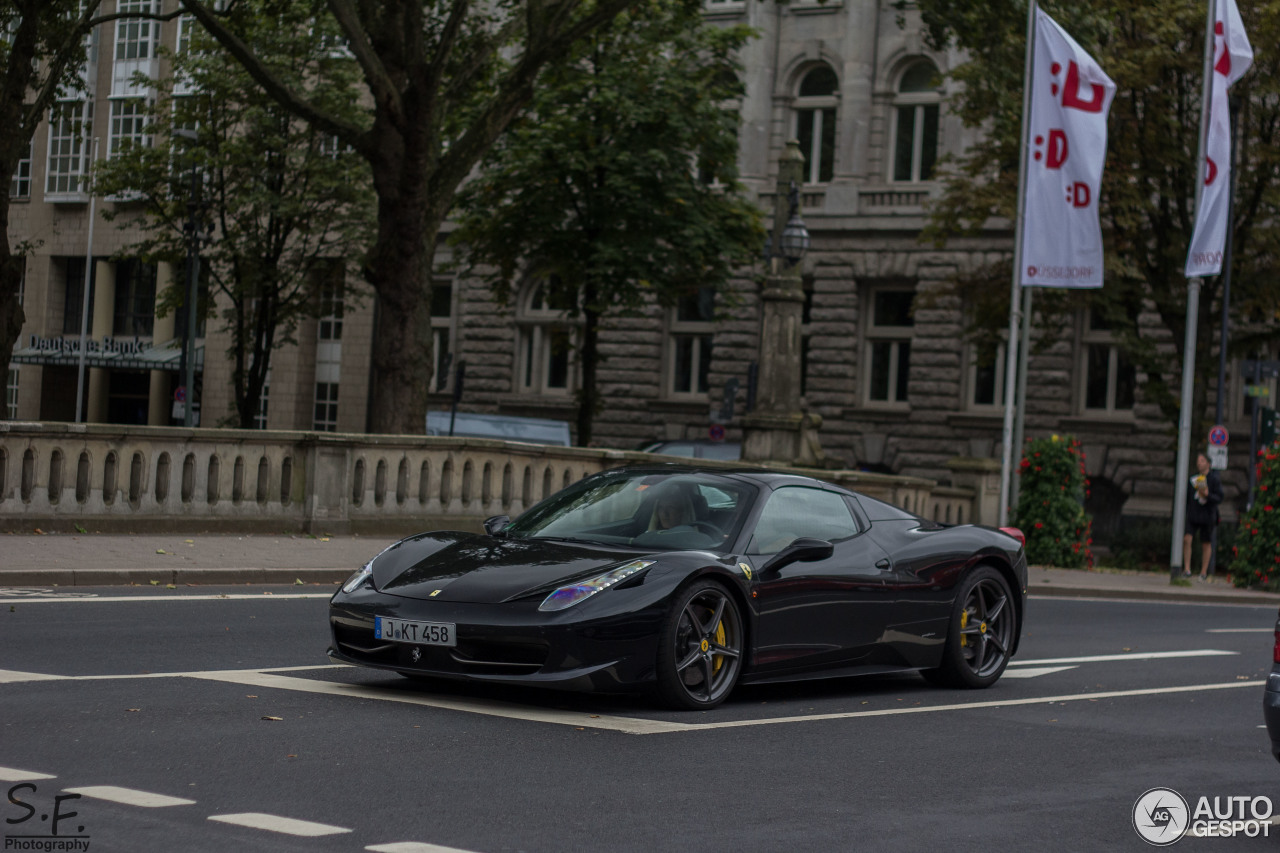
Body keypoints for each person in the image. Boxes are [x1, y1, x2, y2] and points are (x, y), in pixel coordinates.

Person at [1183, 452, 1223, 581]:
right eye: (1198, 461)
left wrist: (1207, 495)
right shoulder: (1193, 479)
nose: (1199, 463)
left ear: (1208, 464)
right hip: (1193, 513)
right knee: (1187, 538)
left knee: (1206, 543)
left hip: (1207, 515)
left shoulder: (1214, 480)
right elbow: (1188, 498)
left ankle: (1203, 572)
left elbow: (1219, 497)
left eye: (1202, 461)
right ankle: (1187, 569)